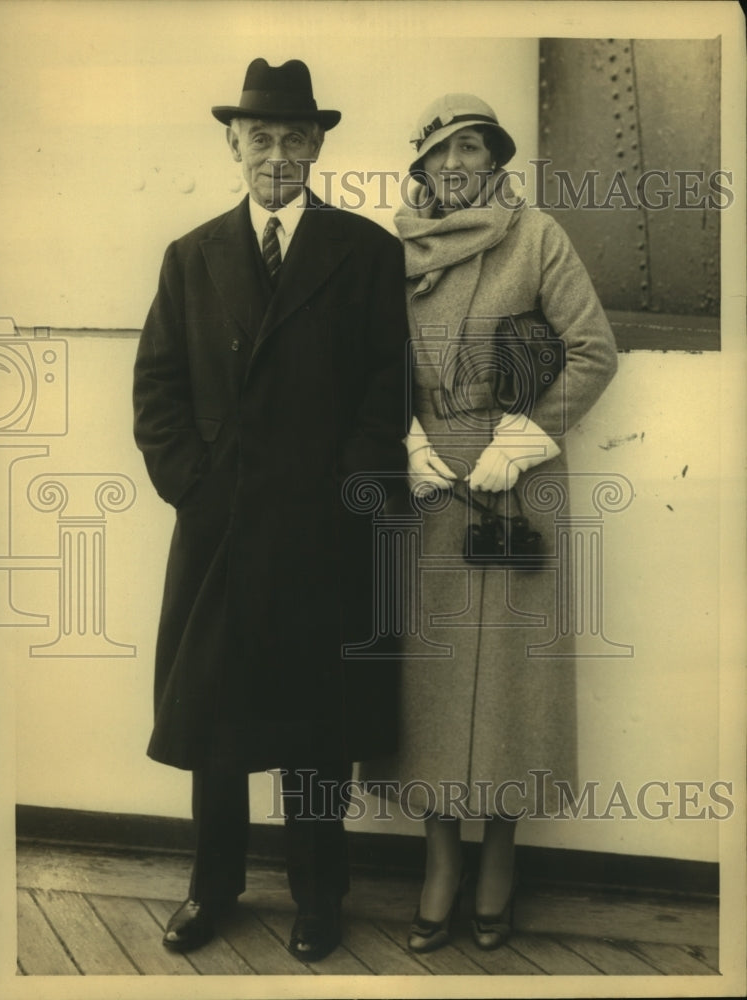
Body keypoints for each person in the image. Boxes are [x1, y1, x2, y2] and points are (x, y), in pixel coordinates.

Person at [132, 58, 409, 961]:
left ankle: (318, 896)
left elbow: (386, 389)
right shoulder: (192, 255)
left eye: (294, 137)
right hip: (222, 535)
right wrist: (197, 486)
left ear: (318, 143)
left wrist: (347, 491)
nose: (277, 155)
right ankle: (210, 890)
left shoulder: (365, 252)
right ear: (232, 144)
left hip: (322, 536)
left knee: (315, 731)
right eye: (260, 138)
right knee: (215, 725)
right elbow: (157, 393)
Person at [368, 94, 618, 952]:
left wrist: (525, 438)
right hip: (430, 478)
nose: (455, 164)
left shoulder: (535, 235)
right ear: (422, 167)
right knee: (426, 680)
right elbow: (368, 358)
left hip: (515, 476)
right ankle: (439, 862)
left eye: (471, 148)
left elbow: (592, 348)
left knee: (513, 684)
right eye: (441, 152)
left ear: (494, 160)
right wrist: (398, 435)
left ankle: (500, 859)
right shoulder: (390, 248)